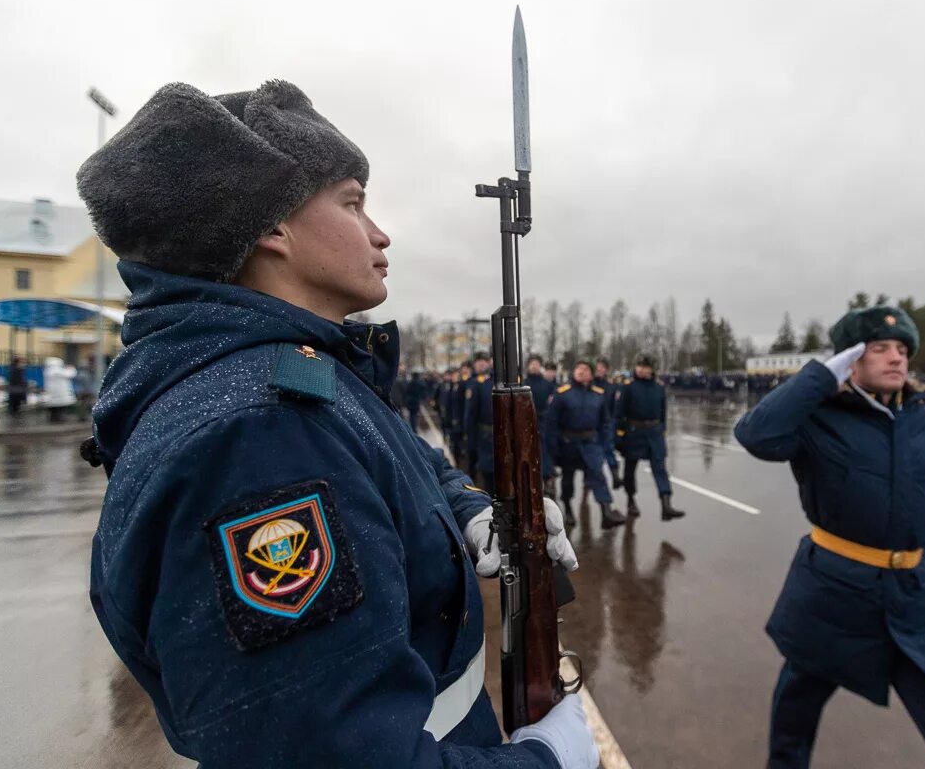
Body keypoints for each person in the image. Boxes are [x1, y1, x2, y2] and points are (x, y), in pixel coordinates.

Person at [78, 79, 596, 768]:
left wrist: (473, 512)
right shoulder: (259, 435)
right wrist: (545, 764)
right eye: (353, 201)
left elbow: (398, 457)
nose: (379, 233)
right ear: (270, 228)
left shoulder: (295, 373)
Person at [734, 306, 925, 769]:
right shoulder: (820, 418)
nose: (896, 358)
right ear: (850, 360)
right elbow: (757, 435)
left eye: (902, 349)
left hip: (910, 601)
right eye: (879, 349)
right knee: (794, 721)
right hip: (834, 594)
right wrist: (820, 376)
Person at [545, 360, 626, 530]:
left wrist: (605, 444)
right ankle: (567, 509)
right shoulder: (562, 393)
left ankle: (606, 512)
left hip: (591, 443)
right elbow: (551, 423)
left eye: (585, 369)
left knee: (598, 475)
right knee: (568, 480)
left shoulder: (598, 394)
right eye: (578, 369)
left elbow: (605, 422)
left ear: (591, 373)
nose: (581, 372)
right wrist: (553, 450)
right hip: (568, 443)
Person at [614, 355, 683, 521]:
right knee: (630, 470)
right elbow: (619, 413)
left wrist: (662, 429)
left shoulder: (659, 387)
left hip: (654, 433)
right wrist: (619, 435)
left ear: (651, 369)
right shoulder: (628, 387)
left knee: (660, 468)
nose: (641, 369)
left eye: (645, 366)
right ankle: (631, 500)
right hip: (634, 432)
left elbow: (663, 412)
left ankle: (666, 505)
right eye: (639, 366)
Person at [524, 354, 557, 495]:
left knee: (544, 450)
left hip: (544, 421)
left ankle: (547, 477)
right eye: (532, 363)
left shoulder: (548, 384)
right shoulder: (522, 383)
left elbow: (553, 402)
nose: (534, 366)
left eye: (537, 363)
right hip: (526, 421)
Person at [464, 351, 495, 491]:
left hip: (499, 433)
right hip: (483, 434)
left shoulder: (495, 381)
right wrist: (470, 437)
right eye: (478, 361)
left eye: (484, 360)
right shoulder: (474, 383)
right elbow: (470, 414)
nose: (482, 363)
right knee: (486, 472)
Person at [591, 358, 622, 490]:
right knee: (593, 453)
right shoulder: (588, 385)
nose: (599, 369)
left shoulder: (611, 387)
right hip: (591, 424)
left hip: (606, 424)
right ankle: (592, 479)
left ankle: (615, 476)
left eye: (602, 367)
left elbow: (615, 407)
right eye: (597, 367)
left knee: (609, 449)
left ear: (606, 370)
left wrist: (613, 424)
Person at [44, 356, 77, 422]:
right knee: (60, 407)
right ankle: (58, 419)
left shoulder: (47, 371)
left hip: (53, 393)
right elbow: (71, 374)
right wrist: (72, 368)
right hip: (60, 393)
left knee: (54, 408)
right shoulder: (56, 370)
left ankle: (53, 418)